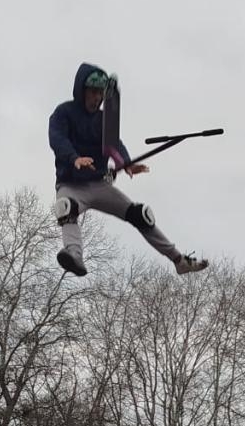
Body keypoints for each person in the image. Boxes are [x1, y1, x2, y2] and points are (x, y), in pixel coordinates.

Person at [48, 63, 208, 280]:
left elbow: (114, 144)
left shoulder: (104, 119)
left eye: (100, 94)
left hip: (99, 184)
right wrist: (74, 158)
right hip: (71, 185)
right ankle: (74, 255)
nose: (96, 99)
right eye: (92, 93)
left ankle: (179, 260)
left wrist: (126, 163)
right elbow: (58, 139)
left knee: (140, 215)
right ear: (81, 91)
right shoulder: (64, 113)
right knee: (66, 209)